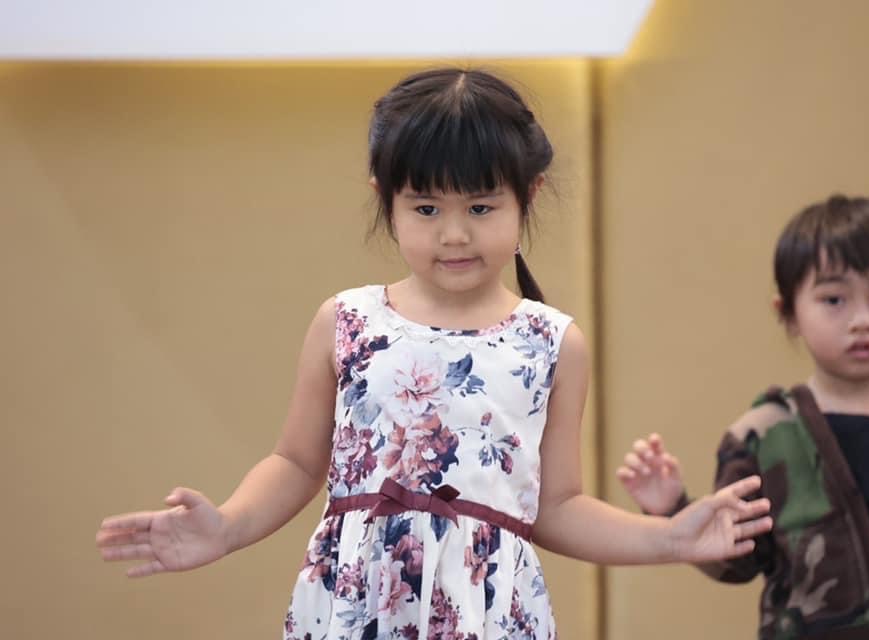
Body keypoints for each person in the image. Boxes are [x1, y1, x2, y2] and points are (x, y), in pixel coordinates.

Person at [96, 67, 772, 640]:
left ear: (528, 196)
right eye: (426, 209)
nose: (453, 234)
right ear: (385, 200)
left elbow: (557, 507)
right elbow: (297, 463)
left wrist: (671, 538)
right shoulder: (346, 320)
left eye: (480, 208)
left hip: (488, 611)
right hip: (355, 603)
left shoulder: (552, 342)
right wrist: (227, 527)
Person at [618, 194, 869, 639]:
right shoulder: (763, 436)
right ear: (789, 313)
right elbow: (736, 563)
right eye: (834, 299)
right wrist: (673, 510)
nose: (862, 320)